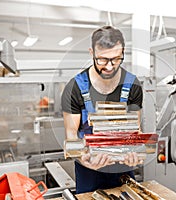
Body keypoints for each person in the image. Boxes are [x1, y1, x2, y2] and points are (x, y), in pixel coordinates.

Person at [61, 25, 143, 194]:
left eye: (116, 59)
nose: (109, 66)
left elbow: (136, 130)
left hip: (122, 167)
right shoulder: (75, 87)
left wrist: (136, 152)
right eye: (102, 59)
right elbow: (71, 135)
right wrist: (85, 160)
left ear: (123, 52)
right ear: (92, 53)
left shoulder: (132, 85)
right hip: (89, 170)